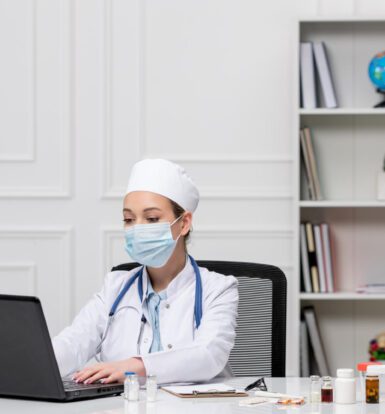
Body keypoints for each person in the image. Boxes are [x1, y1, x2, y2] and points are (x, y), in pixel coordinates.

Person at [53, 159, 238, 385]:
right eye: (129, 219)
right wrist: (32, 365)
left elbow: (209, 355)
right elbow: (73, 342)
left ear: (184, 223)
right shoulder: (115, 287)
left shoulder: (218, 288)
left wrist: (136, 366)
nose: (137, 228)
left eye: (152, 219)